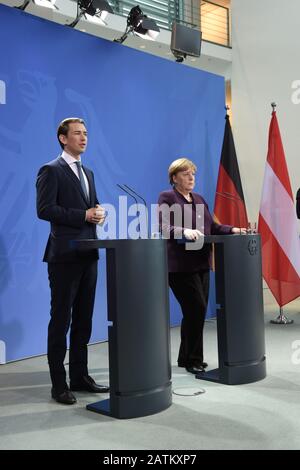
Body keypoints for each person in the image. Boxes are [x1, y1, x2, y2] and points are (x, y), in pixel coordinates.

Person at [36, 117, 109, 404]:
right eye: (77, 133)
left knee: (84, 320)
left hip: (89, 253)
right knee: (61, 319)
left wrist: (97, 211)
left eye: (86, 133)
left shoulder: (87, 172)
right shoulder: (50, 170)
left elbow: (91, 204)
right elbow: (44, 209)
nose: (84, 137)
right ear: (62, 138)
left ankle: (80, 376)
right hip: (64, 256)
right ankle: (59, 384)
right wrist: (83, 215)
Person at [158, 158, 246, 375]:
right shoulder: (167, 197)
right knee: (196, 308)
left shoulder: (199, 199)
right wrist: (182, 231)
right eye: (186, 174)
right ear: (174, 177)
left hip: (201, 262)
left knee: (194, 311)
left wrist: (232, 230)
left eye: (193, 174)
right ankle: (193, 359)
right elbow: (164, 226)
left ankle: (185, 357)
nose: (191, 178)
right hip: (179, 265)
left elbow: (212, 226)